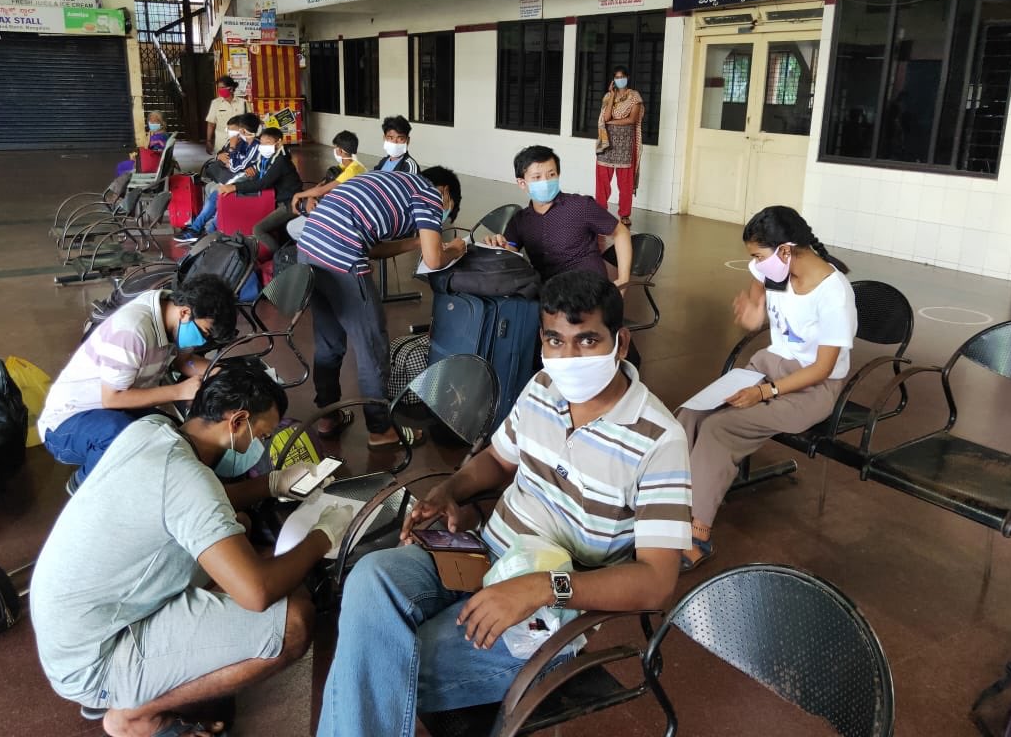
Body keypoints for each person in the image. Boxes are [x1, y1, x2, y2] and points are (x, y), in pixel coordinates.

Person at [316, 271, 692, 736]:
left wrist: (540, 588)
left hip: (552, 603)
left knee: (382, 663)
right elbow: (498, 457)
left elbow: (657, 583)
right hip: (482, 553)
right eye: (555, 340)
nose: (568, 358)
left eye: (587, 340)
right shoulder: (542, 388)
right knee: (371, 579)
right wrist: (452, 489)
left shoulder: (658, 440)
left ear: (621, 341)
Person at [31, 366, 354, 737]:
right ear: (238, 421)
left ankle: (144, 679)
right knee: (294, 624)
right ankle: (136, 714)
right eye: (261, 435)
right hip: (93, 657)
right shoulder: (187, 478)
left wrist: (272, 483)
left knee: (240, 526)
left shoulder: (153, 431)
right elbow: (256, 592)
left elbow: (201, 500)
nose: (259, 446)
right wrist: (322, 536)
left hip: (72, 625)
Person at [676, 206, 856, 571]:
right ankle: (668, 508)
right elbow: (759, 298)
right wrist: (755, 312)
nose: (756, 264)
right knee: (691, 413)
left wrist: (765, 392)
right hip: (767, 364)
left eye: (759, 255)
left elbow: (822, 369)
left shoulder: (834, 294)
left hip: (810, 387)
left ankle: (697, 533)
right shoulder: (773, 268)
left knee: (720, 427)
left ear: (786, 249)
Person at [297, 167, 465, 450]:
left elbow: (373, 249)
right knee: (373, 347)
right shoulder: (431, 194)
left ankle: (327, 416)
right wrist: (457, 248)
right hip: (341, 257)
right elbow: (435, 260)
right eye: (448, 209)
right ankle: (380, 430)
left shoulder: (391, 180)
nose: (442, 213)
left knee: (328, 342)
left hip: (310, 248)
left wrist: (417, 242)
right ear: (446, 192)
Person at [38, 274, 239, 492]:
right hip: (66, 425)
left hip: (114, 409)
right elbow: (112, 398)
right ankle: (83, 486)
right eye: (204, 333)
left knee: (173, 432)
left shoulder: (171, 314)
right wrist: (179, 391)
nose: (203, 341)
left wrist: (219, 373)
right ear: (184, 313)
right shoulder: (133, 330)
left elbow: (184, 360)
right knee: (118, 436)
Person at [485, 145, 632, 286]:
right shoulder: (520, 221)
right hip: (548, 294)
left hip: (588, 288)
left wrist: (623, 280)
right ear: (522, 183)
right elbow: (512, 251)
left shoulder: (581, 206)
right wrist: (502, 247)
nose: (546, 182)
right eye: (537, 177)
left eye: (551, 175)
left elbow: (621, 232)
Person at [175, 127, 299, 246]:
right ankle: (202, 232)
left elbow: (263, 183)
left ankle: (279, 256)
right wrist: (234, 185)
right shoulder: (265, 158)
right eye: (262, 143)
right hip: (269, 195)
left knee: (258, 229)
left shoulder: (280, 161)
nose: (264, 147)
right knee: (219, 194)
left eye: (268, 143)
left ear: (278, 143)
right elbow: (255, 177)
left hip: (287, 203)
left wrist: (235, 187)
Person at [595, 66, 644, 227]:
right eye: (617, 77)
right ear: (613, 80)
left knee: (625, 183)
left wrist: (611, 123)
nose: (620, 79)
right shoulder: (608, 96)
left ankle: (624, 214)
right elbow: (606, 116)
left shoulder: (634, 96)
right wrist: (612, 96)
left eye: (622, 76)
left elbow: (632, 119)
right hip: (607, 144)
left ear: (627, 77)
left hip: (625, 145)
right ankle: (601, 211)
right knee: (602, 181)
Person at [289, 130, 366, 212]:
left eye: (335, 148)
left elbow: (321, 190)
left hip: (354, 208)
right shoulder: (349, 165)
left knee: (304, 206)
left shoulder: (352, 171)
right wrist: (310, 197)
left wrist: (297, 195)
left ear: (340, 151)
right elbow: (323, 183)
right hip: (349, 200)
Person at [205, 75, 250, 154]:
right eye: (218, 88)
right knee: (222, 163)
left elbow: (251, 121)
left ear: (231, 89)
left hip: (240, 141)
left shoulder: (243, 103)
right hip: (221, 142)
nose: (220, 90)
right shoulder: (216, 103)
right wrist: (208, 141)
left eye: (222, 88)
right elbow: (211, 123)